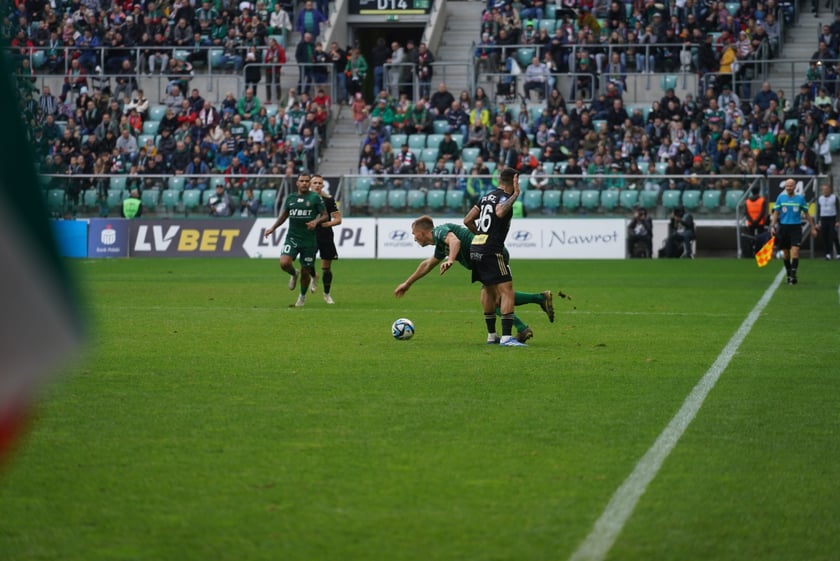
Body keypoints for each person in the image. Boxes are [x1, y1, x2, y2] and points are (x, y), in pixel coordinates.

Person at [394, 216, 555, 343]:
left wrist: (450, 259)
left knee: (495, 299)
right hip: (483, 259)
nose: (414, 238)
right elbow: (427, 264)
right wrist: (408, 283)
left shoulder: (439, 231)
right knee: (491, 301)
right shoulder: (440, 244)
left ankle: (527, 317)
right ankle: (528, 315)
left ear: (422, 232)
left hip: (489, 255)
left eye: (414, 234)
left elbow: (455, 241)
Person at [463, 167, 525, 346]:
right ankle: (506, 337)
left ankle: (492, 336)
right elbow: (499, 212)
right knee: (507, 290)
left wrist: (480, 235)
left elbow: (467, 220)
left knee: (488, 290)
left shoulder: (485, 197)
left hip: (477, 247)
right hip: (491, 250)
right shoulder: (505, 197)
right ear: (514, 181)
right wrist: (515, 195)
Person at [264, 174, 327, 307]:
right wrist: (273, 228)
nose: (304, 183)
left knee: (306, 271)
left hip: (309, 241)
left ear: (309, 184)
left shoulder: (315, 198)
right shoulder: (291, 198)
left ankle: (302, 297)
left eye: (306, 181)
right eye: (301, 181)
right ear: (297, 183)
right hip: (292, 237)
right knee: (284, 263)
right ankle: (293, 273)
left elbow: (325, 216)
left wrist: (316, 221)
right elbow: (284, 215)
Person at [770, 178, 818, 285]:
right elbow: (776, 213)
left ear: (795, 187)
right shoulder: (781, 198)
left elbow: (807, 214)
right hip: (783, 228)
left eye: (791, 185)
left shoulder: (800, 199)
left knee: (795, 251)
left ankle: (793, 275)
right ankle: (788, 273)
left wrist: (812, 227)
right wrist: (772, 226)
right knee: (786, 254)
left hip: (796, 228)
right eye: (787, 185)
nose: (788, 187)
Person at [309, 175, 341, 304]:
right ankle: (313, 276)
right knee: (307, 263)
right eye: (315, 182)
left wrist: (328, 224)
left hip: (325, 236)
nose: (317, 185)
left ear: (323, 185)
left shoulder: (328, 200)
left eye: (319, 183)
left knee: (326, 268)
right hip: (309, 235)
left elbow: (338, 219)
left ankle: (327, 294)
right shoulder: (304, 199)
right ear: (310, 184)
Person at [815, 183, 840, 260]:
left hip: (832, 218)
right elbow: (818, 211)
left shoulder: (834, 198)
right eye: (824, 190)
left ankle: (838, 253)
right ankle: (827, 253)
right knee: (825, 236)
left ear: (829, 190)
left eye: (826, 189)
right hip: (823, 218)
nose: (825, 191)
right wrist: (817, 222)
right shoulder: (820, 198)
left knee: (834, 236)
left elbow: (838, 209)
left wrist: (838, 220)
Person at [744, 185, 769, 257]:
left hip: (750, 222)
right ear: (758, 192)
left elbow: (747, 213)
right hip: (760, 222)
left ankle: (750, 252)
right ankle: (759, 252)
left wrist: (751, 221)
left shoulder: (747, 201)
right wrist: (757, 220)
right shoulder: (762, 200)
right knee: (760, 238)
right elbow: (762, 212)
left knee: (751, 237)